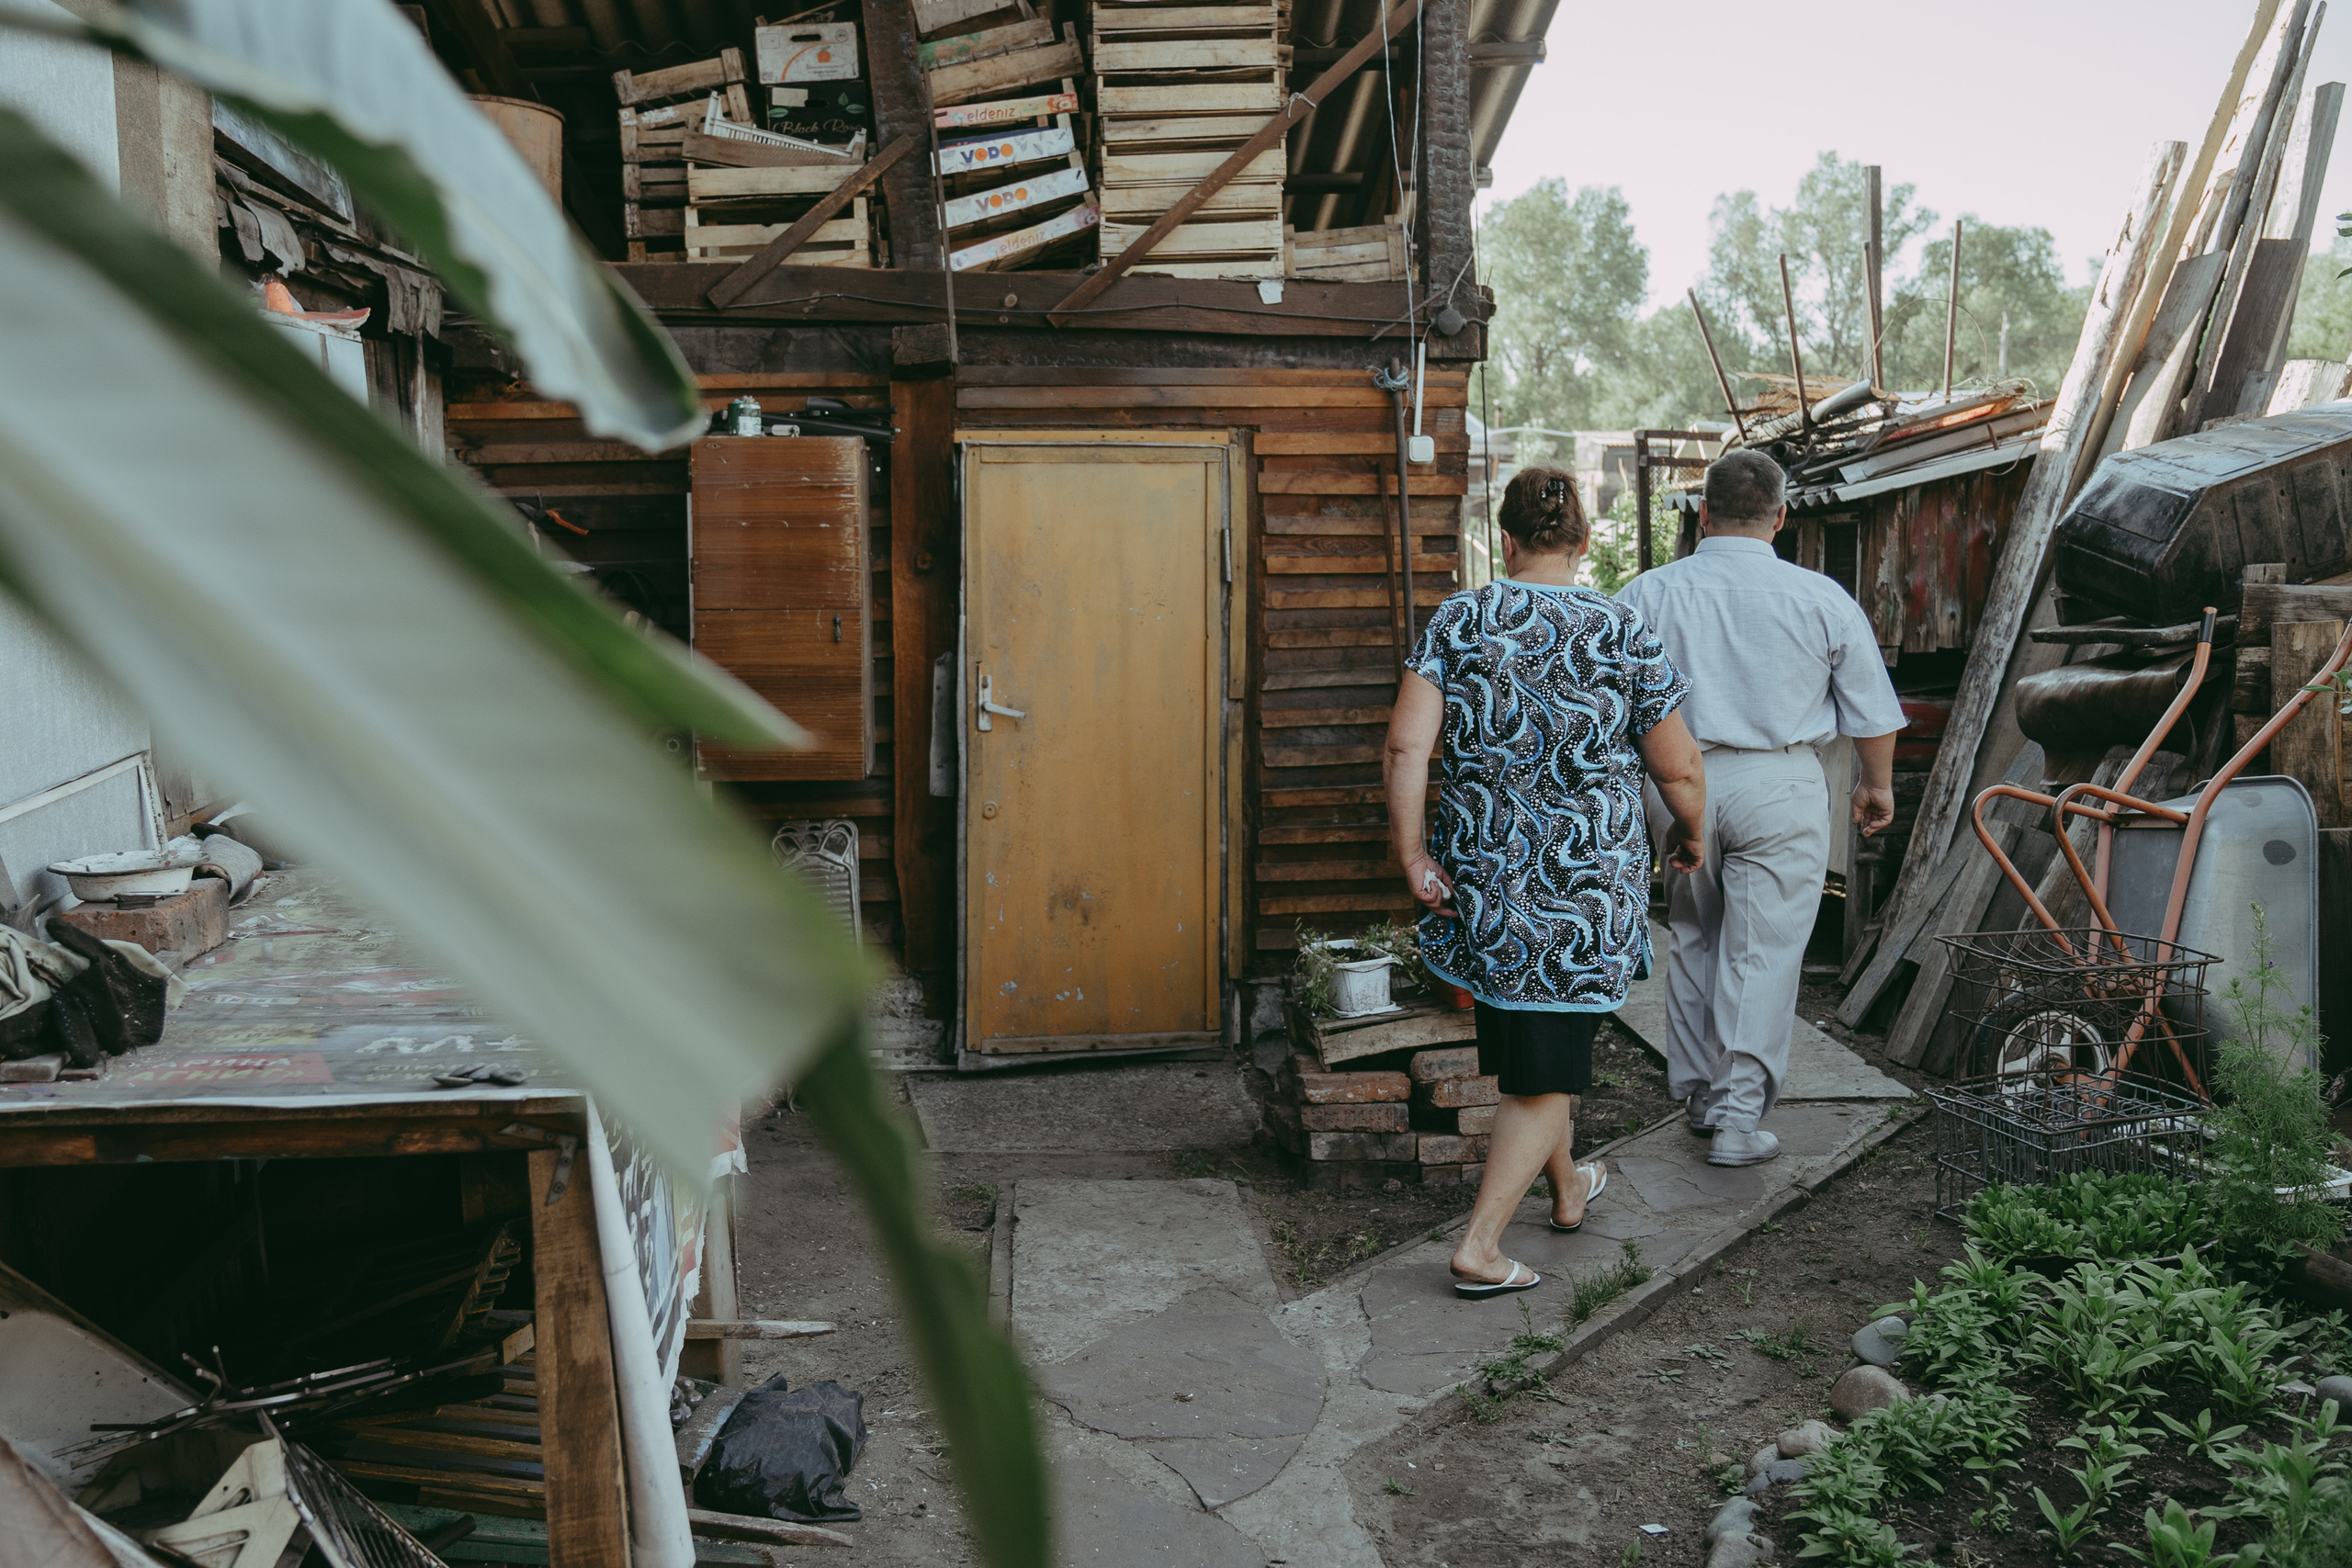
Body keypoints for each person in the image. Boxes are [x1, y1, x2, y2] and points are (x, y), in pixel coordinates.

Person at [1385, 466, 1708, 1300]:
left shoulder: (1459, 619)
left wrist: (1413, 854)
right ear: (1584, 541)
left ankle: (1568, 1188)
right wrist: (1692, 831)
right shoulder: (1620, 626)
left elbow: (1407, 747)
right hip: (1584, 891)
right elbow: (1677, 767)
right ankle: (1480, 1247)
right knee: (1546, 1068)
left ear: (1506, 541)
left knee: (1537, 1049)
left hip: (1487, 881)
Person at [1615, 448, 1905, 1168]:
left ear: (1702, 513)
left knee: (1694, 934)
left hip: (1679, 785)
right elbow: (1873, 712)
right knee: (1763, 950)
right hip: (1781, 784)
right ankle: (1739, 1119)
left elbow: (1611, 705)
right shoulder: (1821, 598)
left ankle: (1701, 1097)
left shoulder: (1647, 594)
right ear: (1780, 517)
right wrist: (1876, 785)